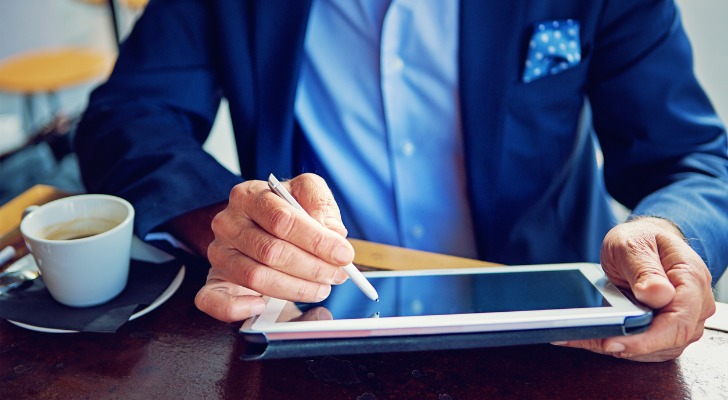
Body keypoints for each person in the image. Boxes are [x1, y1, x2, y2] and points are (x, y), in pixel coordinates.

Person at [74, 0, 727, 362]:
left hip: (563, 338)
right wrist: (229, 222)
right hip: (320, 333)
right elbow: (127, 115)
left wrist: (670, 234)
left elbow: (692, 158)